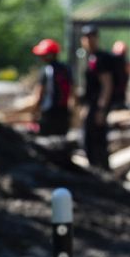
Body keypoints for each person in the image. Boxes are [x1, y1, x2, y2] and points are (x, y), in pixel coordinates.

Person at [80, 26, 114, 170]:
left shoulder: (100, 59)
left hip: (98, 107)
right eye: (86, 37)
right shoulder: (89, 58)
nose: (89, 40)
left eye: (92, 36)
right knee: (89, 142)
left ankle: (102, 175)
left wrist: (101, 109)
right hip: (91, 105)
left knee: (97, 142)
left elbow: (107, 85)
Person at [31, 38, 72, 136]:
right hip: (64, 113)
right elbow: (72, 91)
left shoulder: (46, 70)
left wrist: (34, 111)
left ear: (50, 54)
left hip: (48, 113)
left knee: (46, 142)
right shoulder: (66, 69)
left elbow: (39, 94)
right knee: (61, 142)